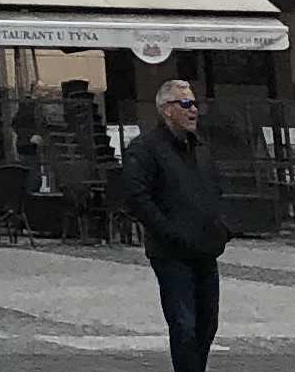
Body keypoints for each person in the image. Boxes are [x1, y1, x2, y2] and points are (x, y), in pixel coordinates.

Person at [119, 78, 230, 372]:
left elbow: (215, 188)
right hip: (171, 252)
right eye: (185, 104)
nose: (193, 110)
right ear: (167, 110)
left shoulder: (201, 147)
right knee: (184, 324)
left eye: (195, 104)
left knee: (208, 323)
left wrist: (222, 227)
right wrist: (168, 231)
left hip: (206, 248)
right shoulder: (146, 149)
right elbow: (136, 197)